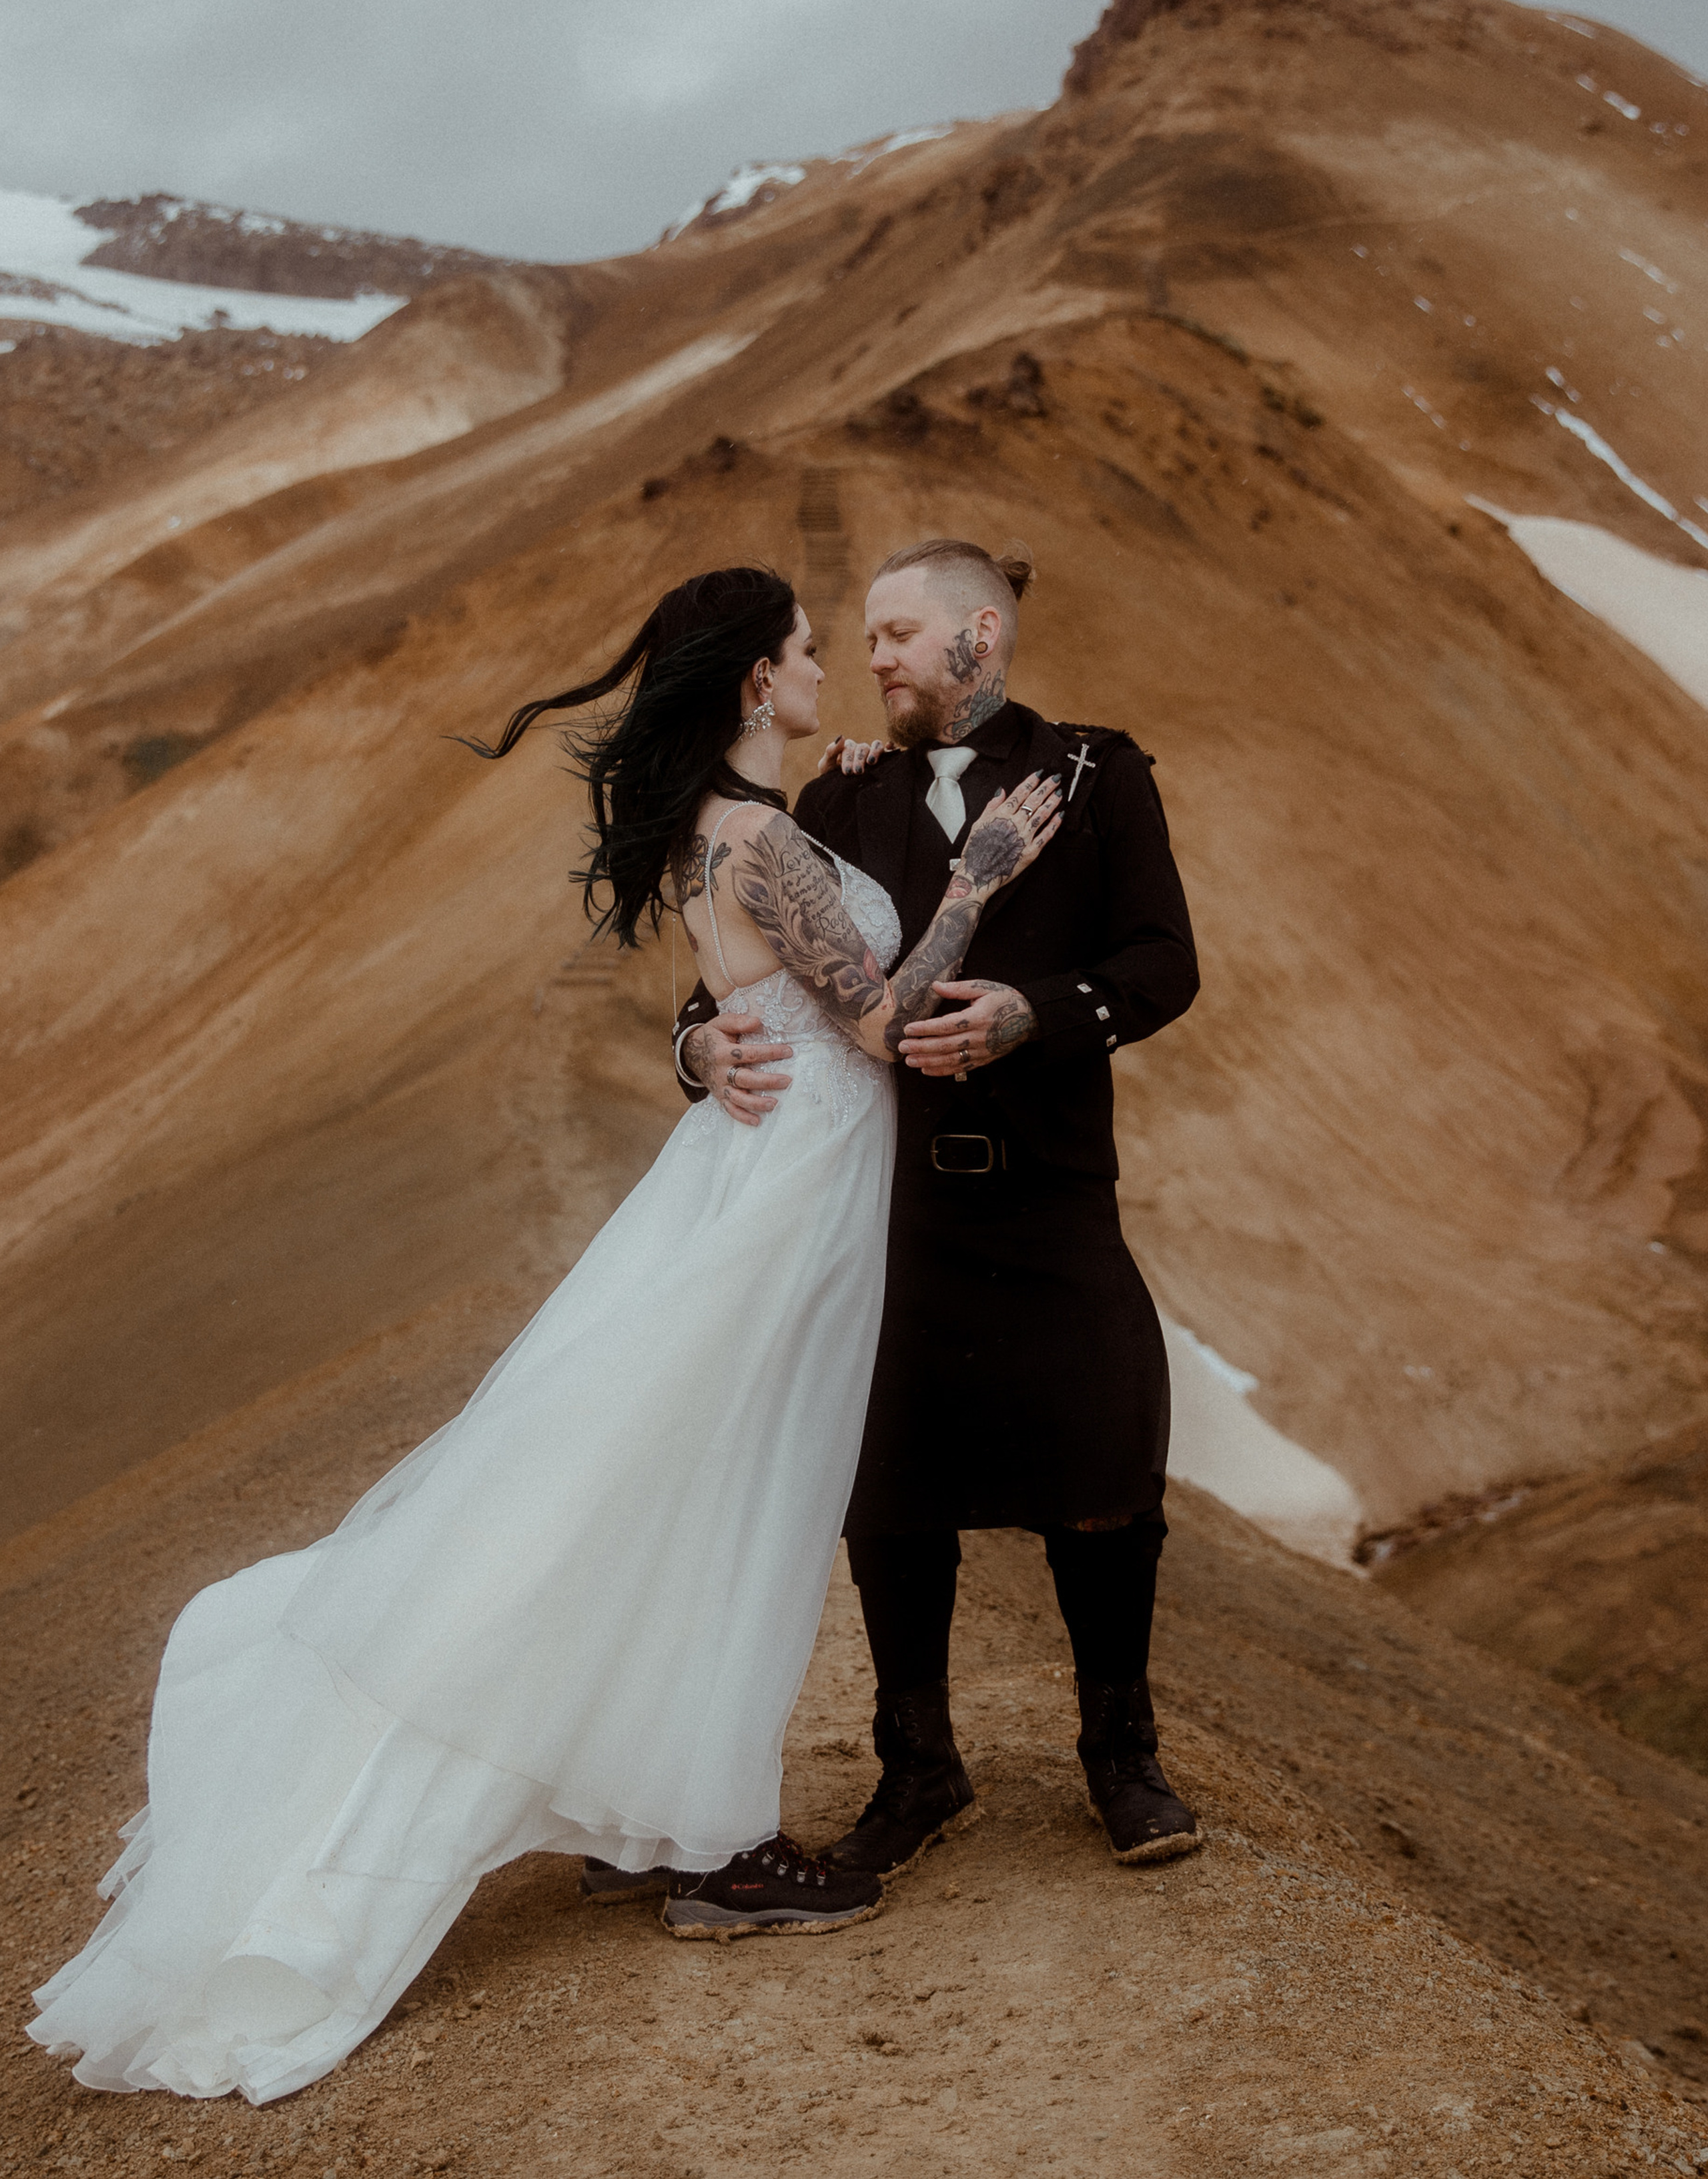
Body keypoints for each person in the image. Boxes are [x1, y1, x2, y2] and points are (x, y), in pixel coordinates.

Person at [27, 565, 1059, 2107]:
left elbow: (760, 1000)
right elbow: (873, 1021)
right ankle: (699, 1822)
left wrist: (712, 1032)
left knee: (688, 1493)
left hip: (765, 1175)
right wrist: (975, 875)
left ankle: (672, 1803)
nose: (819, 671)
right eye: (795, 655)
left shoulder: (745, 827)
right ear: (747, 686)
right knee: (732, 1497)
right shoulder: (761, 839)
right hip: (787, 1200)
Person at [672, 539, 1202, 1879]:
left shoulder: (1094, 775)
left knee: (1103, 1464)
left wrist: (1038, 1014)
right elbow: (751, 977)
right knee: (886, 1488)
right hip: (883, 1211)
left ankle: (1119, 1756)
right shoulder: (839, 801)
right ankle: (917, 1768)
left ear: (983, 633)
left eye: (900, 632)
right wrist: (693, 1051)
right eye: (861, 637)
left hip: (1049, 1195)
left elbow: (1162, 964)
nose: (874, 657)